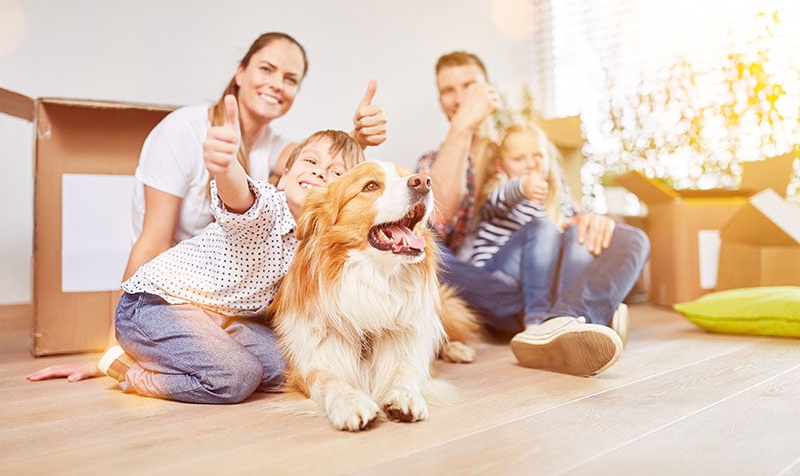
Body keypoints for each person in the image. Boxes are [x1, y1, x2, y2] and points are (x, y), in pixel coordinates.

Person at [27, 32, 386, 382]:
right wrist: (114, 346)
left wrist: (360, 139)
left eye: (290, 78)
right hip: (172, 292)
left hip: (226, 303)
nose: (277, 83)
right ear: (240, 72)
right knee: (239, 375)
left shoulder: (275, 147)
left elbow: (322, 173)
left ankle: (218, 345)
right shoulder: (183, 132)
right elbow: (156, 239)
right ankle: (163, 366)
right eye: (266, 69)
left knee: (290, 364)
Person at [96, 96, 364, 403]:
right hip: (155, 305)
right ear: (285, 176)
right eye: (311, 162)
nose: (319, 173)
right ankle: (132, 370)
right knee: (237, 378)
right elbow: (241, 195)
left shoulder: (322, 239)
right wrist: (226, 167)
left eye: (335, 173)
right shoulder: (266, 210)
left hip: (220, 317)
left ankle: (196, 352)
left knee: (293, 366)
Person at [416, 51, 650, 377]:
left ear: (489, 90)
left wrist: (592, 221)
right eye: (448, 91)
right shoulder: (433, 160)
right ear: (441, 101)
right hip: (487, 290)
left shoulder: (525, 149)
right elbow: (435, 219)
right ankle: (582, 313)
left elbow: (568, 214)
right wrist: (462, 126)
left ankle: (564, 321)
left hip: (547, 270)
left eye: (469, 86)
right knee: (424, 252)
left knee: (631, 237)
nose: (459, 98)